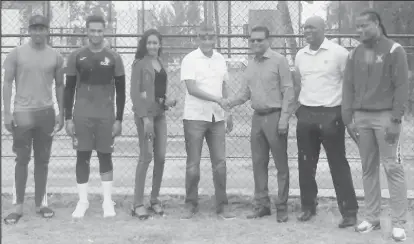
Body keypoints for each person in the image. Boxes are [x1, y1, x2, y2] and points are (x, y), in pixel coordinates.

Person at [342, 10, 409, 242]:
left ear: (377, 24)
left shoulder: (394, 50)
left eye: (364, 26)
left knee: (392, 167)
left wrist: (396, 119)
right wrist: (347, 117)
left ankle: (400, 222)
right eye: (357, 27)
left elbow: (401, 86)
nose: (359, 31)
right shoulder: (354, 54)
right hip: (361, 118)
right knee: (368, 167)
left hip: (386, 117)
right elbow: (348, 87)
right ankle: (372, 217)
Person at [222, 26, 295, 222]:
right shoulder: (250, 65)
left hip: (275, 116)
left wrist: (284, 119)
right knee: (258, 163)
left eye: (259, 40)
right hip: (257, 118)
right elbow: (244, 94)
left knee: (281, 165)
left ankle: (281, 206)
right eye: (252, 40)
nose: (255, 43)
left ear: (268, 40)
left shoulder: (280, 61)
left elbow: (288, 91)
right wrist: (228, 102)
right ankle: (262, 205)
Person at [292, 16, 359, 227]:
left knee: (338, 164)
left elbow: (350, 85)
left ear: (324, 29)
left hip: (332, 114)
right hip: (306, 114)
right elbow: (297, 85)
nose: (307, 31)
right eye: (305, 28)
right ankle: (308, 207)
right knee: (305, 163)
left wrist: (346, 114)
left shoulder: (339, 53)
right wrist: (298, 110)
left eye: (311, 27)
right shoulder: (300, 55)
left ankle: (349, 212)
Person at [2, 15, 65, 225]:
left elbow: (59, 85)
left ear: (48, 31)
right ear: (28, 31)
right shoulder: (16, 54)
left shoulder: (56, 56)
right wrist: (7, 113)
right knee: (21, 160)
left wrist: (61, 112)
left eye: (42, 28)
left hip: (45, 112)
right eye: (34, 28)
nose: (38, 32)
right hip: (22, 112)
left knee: (43, 160)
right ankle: (18, 206)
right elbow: (8, 83)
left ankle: (41, 203)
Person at [64, 15, 126, 219]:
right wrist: (68, 118)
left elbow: (121, 91)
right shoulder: (76, 56)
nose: (96, 34)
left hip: (106, 116)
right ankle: (83, 201)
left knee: (105, 156)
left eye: (100, 31)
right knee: (82, 157)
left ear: (105, 31)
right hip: (82, 114)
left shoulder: (114, 57)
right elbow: (69, 88)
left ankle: (108, 200)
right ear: (86, 31)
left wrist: (119, 119)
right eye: (92, 30)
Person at [180, 23, 235, 220]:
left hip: (217, 118)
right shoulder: (190, 59)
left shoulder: (220, 59)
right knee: (193, 165)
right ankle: (190, 204)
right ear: (197, 38)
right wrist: (217, 100)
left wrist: (227, 112)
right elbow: (192, 89)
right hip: (195, 117)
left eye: (210, 36)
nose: (207, 40)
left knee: (220, 163)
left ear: (215, 38)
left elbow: (224, 86)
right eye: (202, 36)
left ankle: (222, 205)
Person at [130, 29, 177, 220]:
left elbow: (157, 91)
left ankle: (154, 199)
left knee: (161, 157)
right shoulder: (139, 64)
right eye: (148, 43)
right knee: (146, 156)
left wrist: (166, 101)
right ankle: (137, 203)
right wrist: (145, 118)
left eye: (155, 43)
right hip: (146, 117)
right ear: (144, 44)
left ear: (160, 44)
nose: (152, 46)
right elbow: (136, 93)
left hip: (160, 115)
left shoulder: (161, 63)